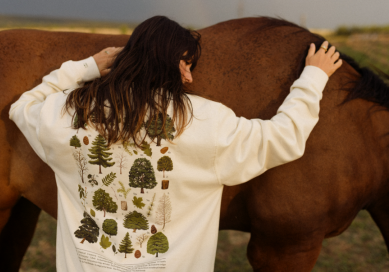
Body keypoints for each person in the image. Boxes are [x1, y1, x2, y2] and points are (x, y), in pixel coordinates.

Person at [9, 16, 341, 272]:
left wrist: (87, 67)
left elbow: (22, 107)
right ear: (169, 62)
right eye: (187, 64)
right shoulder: (204, 122)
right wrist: (313, 77)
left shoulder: (71, 114)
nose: (190, 77)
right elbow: (283, 138)